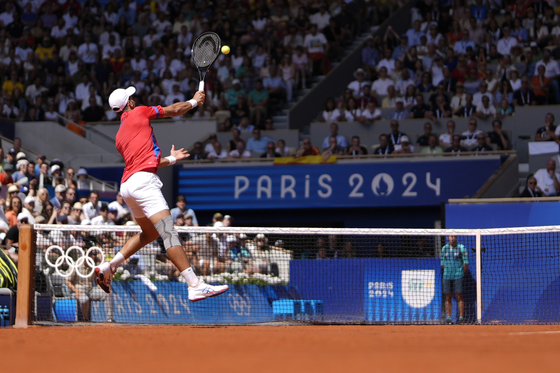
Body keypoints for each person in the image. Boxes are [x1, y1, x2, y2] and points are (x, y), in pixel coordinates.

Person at [95, 86, 228, 301]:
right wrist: (194, 101)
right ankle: (194, 284)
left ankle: (110, 266)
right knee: (168, 232)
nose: (135, 100)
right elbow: (174, 109)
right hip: (144, 183)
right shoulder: (139, 111)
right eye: (132, 98)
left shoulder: (120, 136)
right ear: (129, 103)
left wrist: (173, 158)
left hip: (128, 186)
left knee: (150, 234)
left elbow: (151, 162)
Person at [441, 235, 469, 325]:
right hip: (447, 276)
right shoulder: (444, 248)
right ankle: (448, 318)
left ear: (456, 238)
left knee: (459, 295)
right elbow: (443, 264)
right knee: (448, 297)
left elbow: (466, 263)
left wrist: (460, 273)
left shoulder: (461, 247)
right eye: (450, 236)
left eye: (454, 237)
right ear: (448, 237)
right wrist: (447, 272)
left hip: (458, 275)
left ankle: (461, 318)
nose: (452, 238)